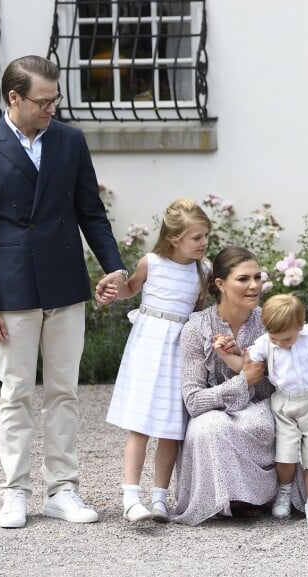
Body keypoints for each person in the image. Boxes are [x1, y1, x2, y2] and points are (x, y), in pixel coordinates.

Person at [0, 55, 128, 528]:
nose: (52, 108)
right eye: (43, 101)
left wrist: (114, 268)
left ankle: (63, 489)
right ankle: (14, 491)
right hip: (11, 290)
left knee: (63, 391)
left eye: (55, 100)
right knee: (15, 393)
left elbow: (91, 213)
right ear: (14, 98)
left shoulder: (70, 141)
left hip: (64, 282)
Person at [172, 247, 308, 525]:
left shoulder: (270, 320)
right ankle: (223, 499)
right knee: (210, 427)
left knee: (260, 424)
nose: (254, 286)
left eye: (257, 277)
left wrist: (250, 373)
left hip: (264, 403)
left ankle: (261, 496)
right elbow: (193, 401)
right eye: (243, 279)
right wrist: (242, 380)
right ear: (220, 284)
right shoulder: (197, 328)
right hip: (212, 408)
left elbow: (277, 384)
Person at [100, 198, 211, 523]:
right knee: (142, 424)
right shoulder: (152, 262)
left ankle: (160, 498)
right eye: (197, 238)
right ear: (175, 239)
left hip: (181, 348)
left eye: (206, 236)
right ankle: (131, 497)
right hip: (150, 346)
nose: (204, 243)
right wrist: (112, 291)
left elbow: (199, 311)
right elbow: (131, 289)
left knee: (172, 427)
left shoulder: (202, 270)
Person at [216, 293, 308, 526]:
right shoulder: (265, 343)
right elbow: (244, 367)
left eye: (286, 339)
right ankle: (285, 491)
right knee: (285, 455)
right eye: (275, 338)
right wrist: (225, 355)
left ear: (300, 326)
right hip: (284, 405)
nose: (279, 343)